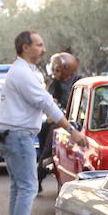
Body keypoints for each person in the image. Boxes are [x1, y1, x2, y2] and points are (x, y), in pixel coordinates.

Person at [0, 31, 89, 215]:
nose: (43, 49)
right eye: (39, 45)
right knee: (27, 186)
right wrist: (72, 131)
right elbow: (45, 102)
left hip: (11, 134)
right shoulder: (22, 73)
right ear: (25, 47)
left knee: (19, 187)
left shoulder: (25, 71)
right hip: (18, 136)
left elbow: (43, 101)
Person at [38, 52, 80, 186]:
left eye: (57, 70)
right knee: (43, 129)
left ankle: (39, 174)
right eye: (54, 69)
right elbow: (49, 99)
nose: (54, 72)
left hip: (75, 121)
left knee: (51, 137)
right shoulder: (54, 83)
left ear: (67, 69)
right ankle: (41, 170)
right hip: (59, 119)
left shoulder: (79, 81)